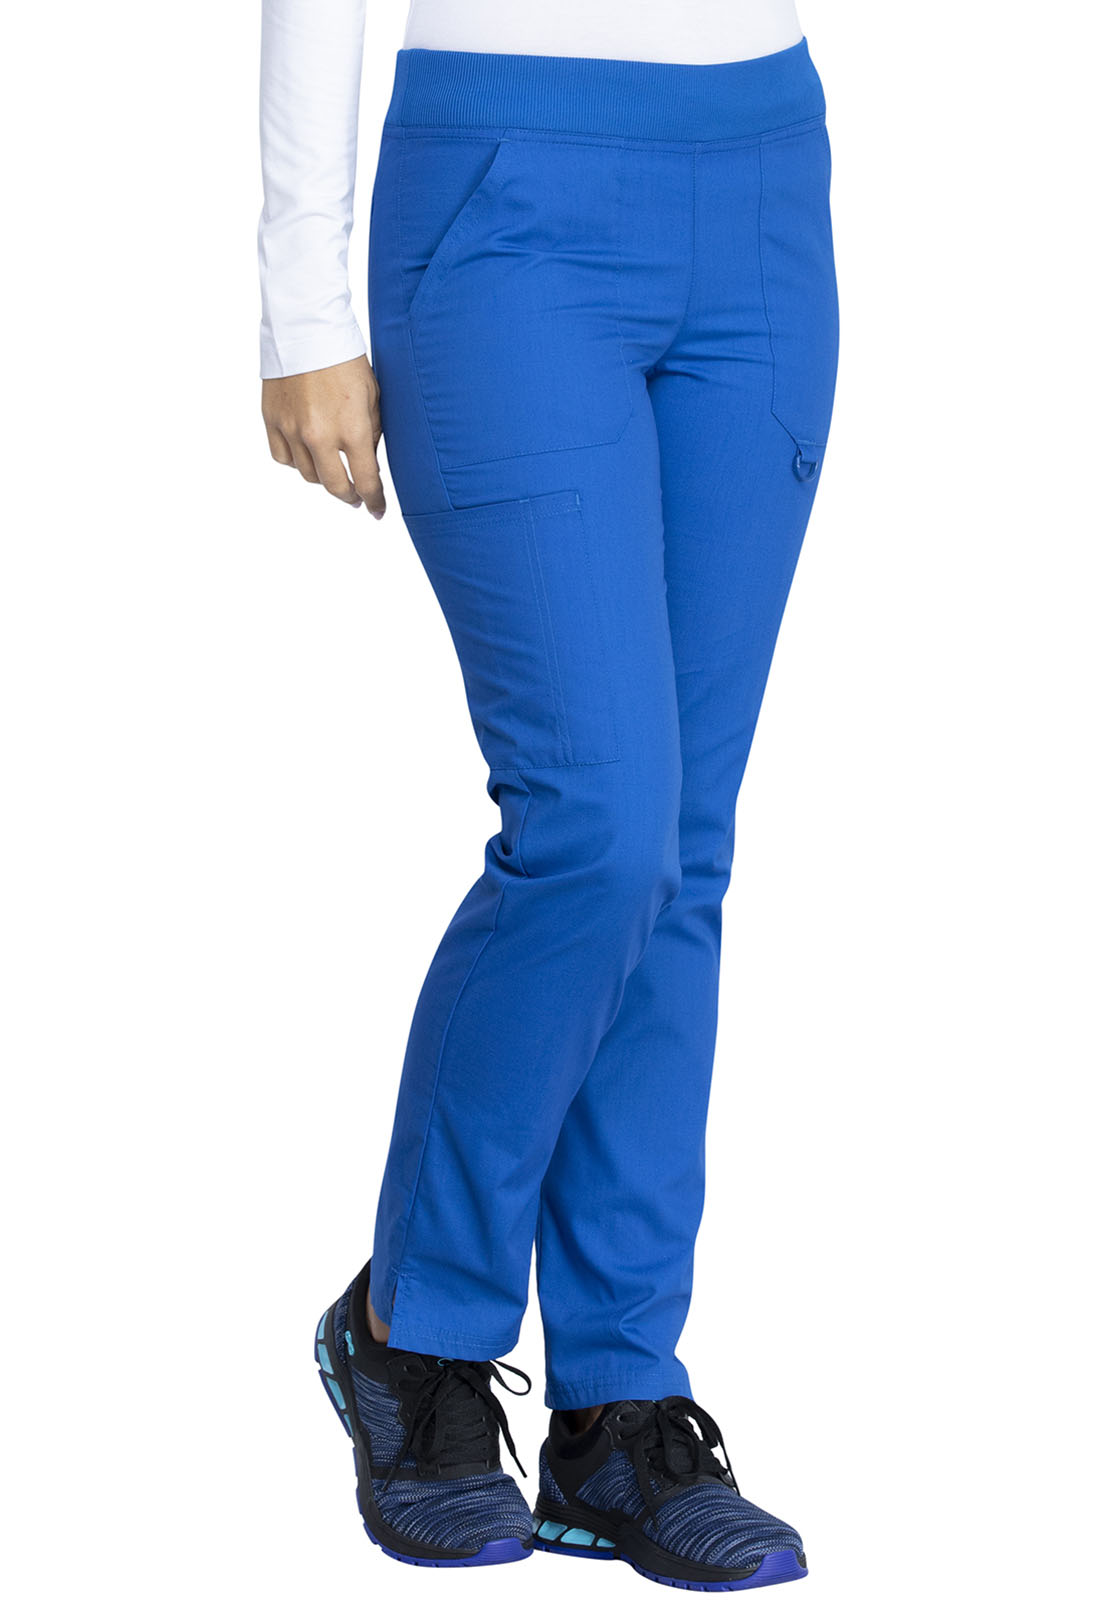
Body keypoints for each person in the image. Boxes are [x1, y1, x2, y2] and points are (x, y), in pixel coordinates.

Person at [259, 1, 838, 1588]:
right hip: (507, 191)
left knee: (682, 846)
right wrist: (299, 299)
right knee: (600, 822)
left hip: (763, 179)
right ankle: (417, 1330)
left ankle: (619, 1408)